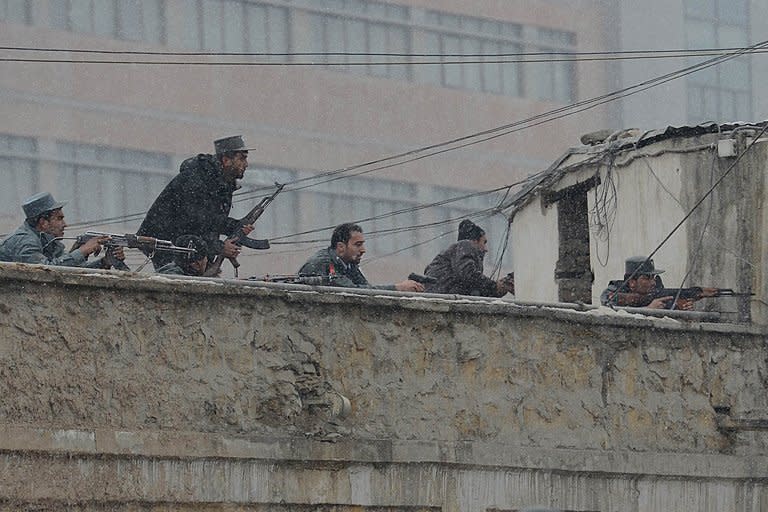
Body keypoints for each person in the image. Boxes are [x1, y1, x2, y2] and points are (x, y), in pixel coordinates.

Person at [137, 135, 255, 270]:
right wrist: (220, 247)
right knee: (179, 283)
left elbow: (210, 220)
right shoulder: (197, 180)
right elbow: (192, 222)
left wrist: (235, 226)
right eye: (242, 158)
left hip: (186, 247)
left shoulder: (221, 183)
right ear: (226, 160)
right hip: (169, 246)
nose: (246, 164)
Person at [0, 192, 125, 269]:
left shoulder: (48, 241)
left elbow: (71, 270)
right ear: (43, 222)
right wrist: (82, 251)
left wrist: (105, 262)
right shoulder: (26, 240)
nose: (65, 224)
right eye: (59, 219)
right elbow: (45, 271)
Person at [298, 223, 424, 292]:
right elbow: (351, 290)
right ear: (341, 247)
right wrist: (397, 288)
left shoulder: (349, 264)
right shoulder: (322, 263)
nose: (363, 250)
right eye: (358, 245)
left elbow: (366, 288)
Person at [422, 219, 513, 297]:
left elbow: (473, 286)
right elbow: (468, 274)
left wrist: (498, 289)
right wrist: (494, 286)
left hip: (442, 298)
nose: (486, 249)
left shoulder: (454, 256)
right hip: (445, 298)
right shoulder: (465, 244)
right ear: (474, 241)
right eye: (484, 242)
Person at [600, 256, 717, 309]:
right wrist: (648, 310)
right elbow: (609, 310)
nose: (652, 282)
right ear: (632, 282)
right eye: (647, 278)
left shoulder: (656, 292)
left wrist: (680, 307)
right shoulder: (614, 291)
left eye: (653, 278)